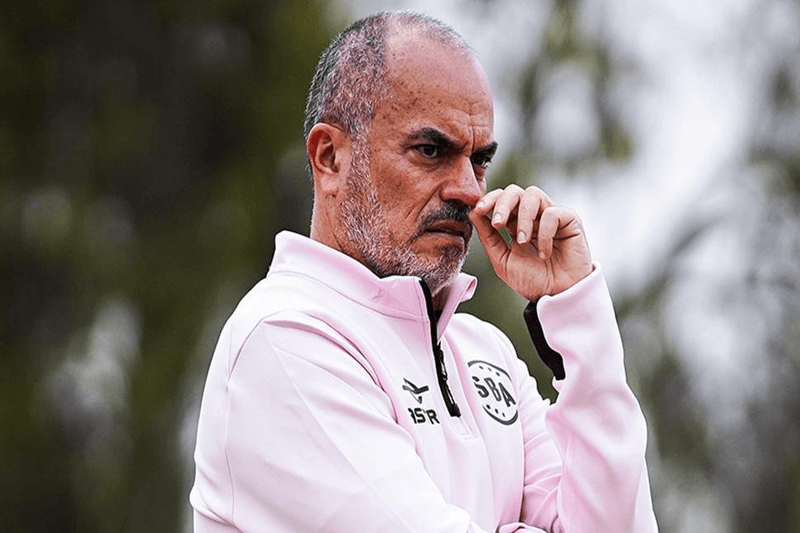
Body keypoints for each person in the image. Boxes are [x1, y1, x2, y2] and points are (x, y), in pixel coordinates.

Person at [190, 11, 658, 533]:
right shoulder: (283, 338)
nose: (470, 191)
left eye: (479, 160)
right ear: (330, 159)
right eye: (431, 151)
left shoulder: (487, 353)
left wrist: (575, 308)